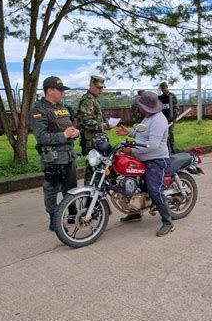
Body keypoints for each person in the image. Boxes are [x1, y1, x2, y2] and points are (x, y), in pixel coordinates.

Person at [116, 91, 174, 237]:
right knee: (132, 185)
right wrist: (128, 133)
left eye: (140, 105)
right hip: (142, 157)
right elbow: (140, 135)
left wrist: (132, 150)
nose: (138, 107)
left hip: (156, 159)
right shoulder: (147, 118)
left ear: (146, 107)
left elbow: (153, 145)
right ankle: (136, 212)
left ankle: (168, 222)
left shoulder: (159, 120)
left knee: (154, 190)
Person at [29, 76, 79, 231]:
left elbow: (71, 125)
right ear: (49, 91)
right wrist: (64, 135)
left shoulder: (62, 108)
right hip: (53, 158)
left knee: (71, 187)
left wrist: (75, 132)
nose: (62, 93)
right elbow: (41, 136)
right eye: (60, 90)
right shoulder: (39, 110)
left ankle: (72, 213)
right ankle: (54, 218)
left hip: (69, 155)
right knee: (51, 189)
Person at [76, 75, 106, 184]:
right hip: (91, 141)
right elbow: (86, 121)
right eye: (98, 87)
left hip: (97, 140)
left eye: (102, 88)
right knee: (92, 172)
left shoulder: (94, 99)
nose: (100, 90)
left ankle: (95, 196)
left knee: (98, 170)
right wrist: (103, 125)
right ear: (90, 85)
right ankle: (90, 197)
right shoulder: (87, 100)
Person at [158, 80, 180, 153]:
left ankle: (172, 147)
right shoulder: (160, 97)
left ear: (167, 87)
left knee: (170, 133)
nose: (163, 90)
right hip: (162, 119)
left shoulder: (172, 96)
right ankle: (165, 148)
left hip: (170, 119)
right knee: (163, 134)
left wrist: (174, 117)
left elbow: (176, 107)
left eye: (164, 88)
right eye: (161, 88)